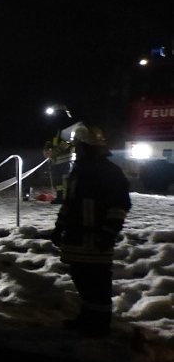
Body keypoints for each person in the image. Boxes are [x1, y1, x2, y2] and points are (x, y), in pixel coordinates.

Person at [51, 125, 131, 336]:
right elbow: (70, 203)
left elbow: (120, 205)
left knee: (97, 283)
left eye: (80, 147)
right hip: (77, 237)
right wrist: (59, 228)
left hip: (97, 238)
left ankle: (99, 324)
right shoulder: (79, 171)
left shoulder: (110, 171)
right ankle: (87, 318)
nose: (77, 150)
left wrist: (108, 232)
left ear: (91, 147)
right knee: (82, 279)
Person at [42, 104, 80, 203]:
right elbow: (50, 140)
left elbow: (67, 143)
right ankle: (59, 197)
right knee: (58, 179)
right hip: (56, 159)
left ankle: (66, 198)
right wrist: (46, 150)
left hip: (66, 158)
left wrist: (54, 152)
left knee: (65, 179)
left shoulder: (70, 127)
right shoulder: (55, 127)